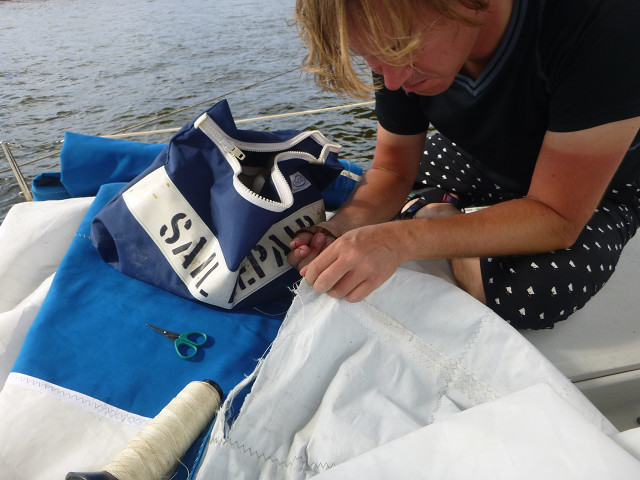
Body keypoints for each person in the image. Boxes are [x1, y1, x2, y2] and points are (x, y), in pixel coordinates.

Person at [288, 0, 640, 329]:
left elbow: (558, 216)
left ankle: (437, 211)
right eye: (368, 55)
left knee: (528, 293)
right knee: (403, 177)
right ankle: (445, 212)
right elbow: (392, 170)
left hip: (601, 189)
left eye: (402, 49)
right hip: (485, 158)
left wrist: (402, 239)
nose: (392, 81)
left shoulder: (601, 21)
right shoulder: (395, 39)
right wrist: (337, 230)